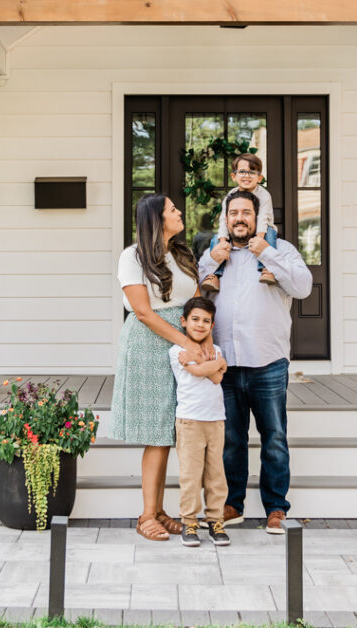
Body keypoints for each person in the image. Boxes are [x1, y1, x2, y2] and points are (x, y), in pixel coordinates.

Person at [198, 191, 313, 534]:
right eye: (233, 212)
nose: (239, 218)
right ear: (225, 218)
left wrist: (269, 254)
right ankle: (233, 503)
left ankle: (276, 508)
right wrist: (209, 262)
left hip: (268, 362)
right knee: (231, 439)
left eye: (246, 212)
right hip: (226, 364)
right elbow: (197, 295)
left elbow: (304, 286)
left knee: (274, 438)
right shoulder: (215, 255)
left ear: (257, 217)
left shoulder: (281, 250)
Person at [109, 193, 214, 542]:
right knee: (156, 431)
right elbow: (143, 312)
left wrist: (204, 339)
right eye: (172, 209)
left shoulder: (181, 254)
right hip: (149, 345)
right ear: (156, 218)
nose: (179, 212)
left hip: (183, 343)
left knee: (172, 429)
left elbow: (196, 301)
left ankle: (160, 509)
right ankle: (146, 515)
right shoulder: (133, 257)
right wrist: (188, 343)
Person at [169, 296, 230, 548]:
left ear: (212, 325)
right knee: (191, 475)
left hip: (215, 420)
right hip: (190, 421)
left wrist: (215, 363)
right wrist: (218, 365)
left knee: (216, 474)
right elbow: (203, 373)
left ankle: (215, 520)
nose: (200, 324)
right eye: (195, 319)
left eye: (206, 321)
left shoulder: (217, 350)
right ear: (184, 322)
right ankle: (189, 521)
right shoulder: (177, 351)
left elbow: (215, 379)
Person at [200, 153, 278, 293]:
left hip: (263, 229)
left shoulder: (264, 195)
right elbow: (224, 221)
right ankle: (214, 275)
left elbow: (262, 219)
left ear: (260, 177)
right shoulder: (230, 196)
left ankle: (267, 269)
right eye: (242, 171)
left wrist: (259, 239)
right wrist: (223, 241)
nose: (247, 176)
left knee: (270, 237)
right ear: (233, 176)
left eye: (252, 172)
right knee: (215, 240)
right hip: (237, 230)